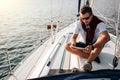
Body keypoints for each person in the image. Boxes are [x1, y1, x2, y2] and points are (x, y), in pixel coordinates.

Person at [65, 6, 110, 71]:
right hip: (84, 44)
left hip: (94, 45)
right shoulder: (78, 23)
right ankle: (94, 57)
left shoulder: (99, 23)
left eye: (87, 18)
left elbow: (106, 37)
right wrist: (73, 42)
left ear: (92, 15)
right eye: (82, 18)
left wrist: (92, 47)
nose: (84, 20)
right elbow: (74, 37)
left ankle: (88, 62)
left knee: (101, 42)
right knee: (67, 46)